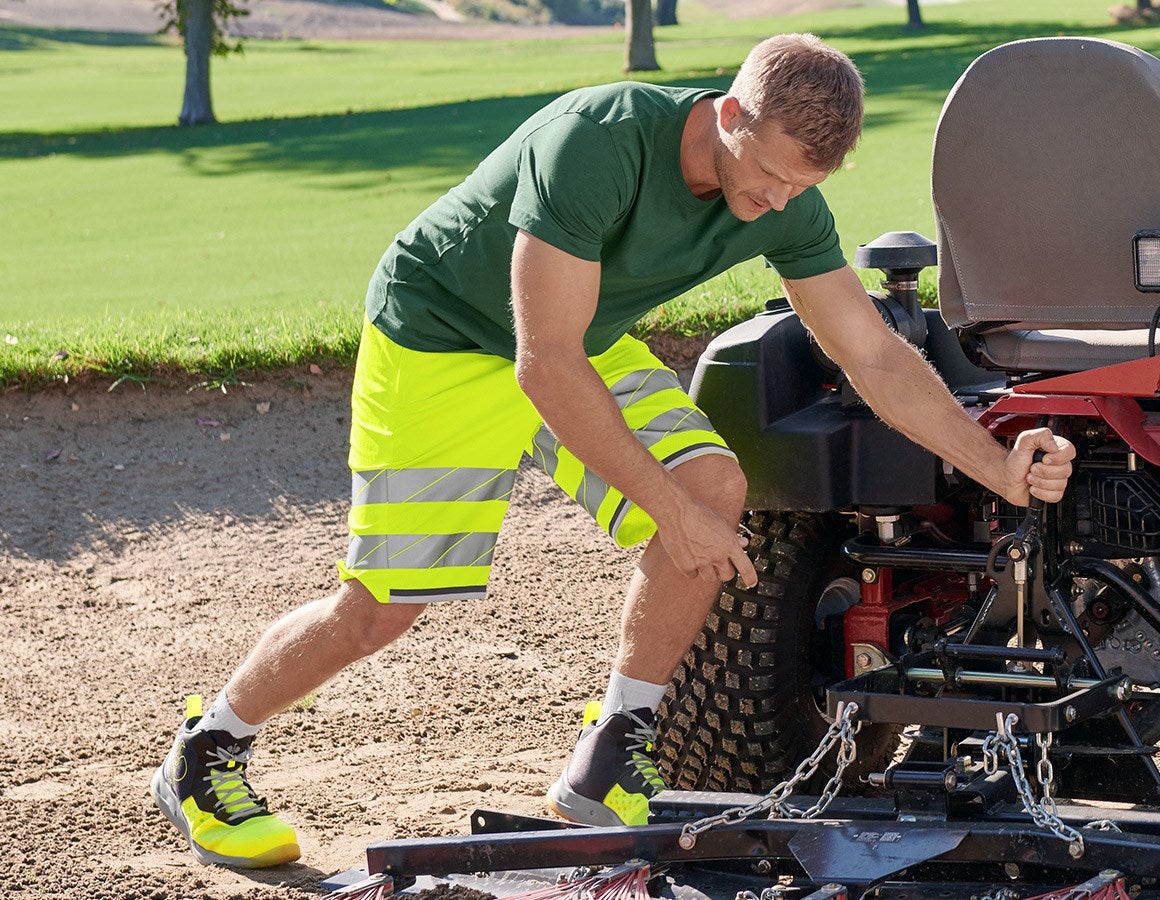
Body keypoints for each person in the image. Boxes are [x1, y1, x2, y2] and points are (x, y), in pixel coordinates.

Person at [151, 33, 1076, 868]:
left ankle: (608, 752)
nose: (777, 205)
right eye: (770, 176)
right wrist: (666, 510)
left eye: (802, 189)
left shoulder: (786, 200)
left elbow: (870, 351)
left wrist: (991, 462)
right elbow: (544, 364)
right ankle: (208, 748)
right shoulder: (597, 142)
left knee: (713, 481)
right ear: (729, 115)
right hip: (444, 335)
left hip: (576, 335)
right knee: (385, 607)